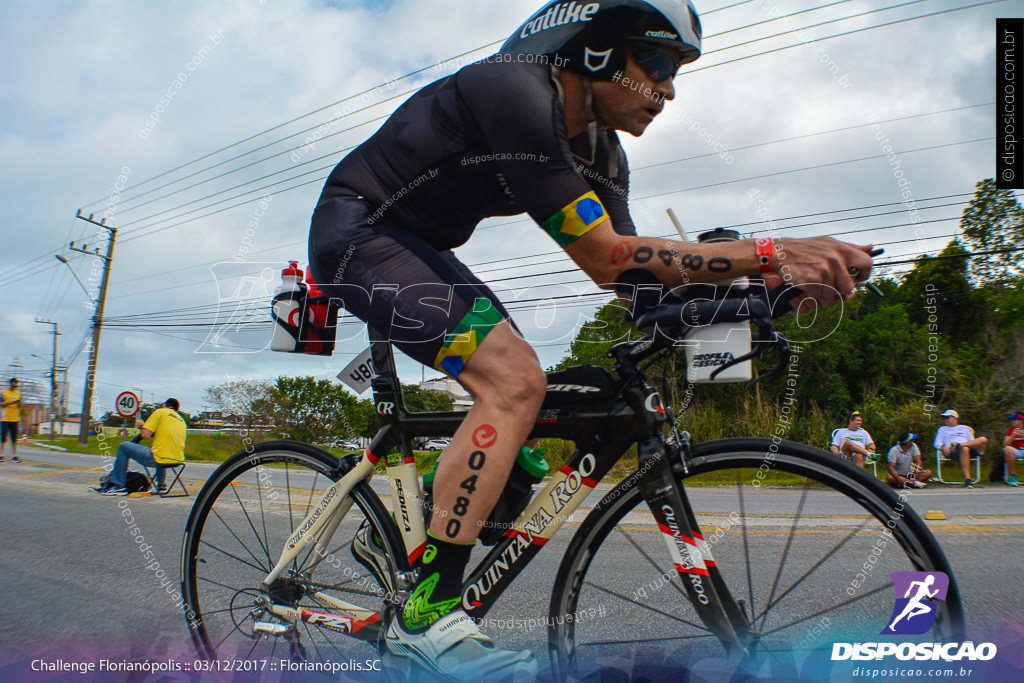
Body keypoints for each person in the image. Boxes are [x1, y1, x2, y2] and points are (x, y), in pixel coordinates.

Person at [308, 1, 876, 677]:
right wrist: (771, 250)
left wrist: (770, 297)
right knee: (513, 381)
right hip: (356, 236)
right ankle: (425, 611)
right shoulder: (514, 89)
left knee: (531, 395)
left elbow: (643, 292)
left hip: (419, 247)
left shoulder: (602, 152)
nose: (669, 89)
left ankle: (416, 536)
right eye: (658, 63)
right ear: (598, 51)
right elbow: (608, 255)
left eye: (676, 72)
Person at [90, 398, 186, 495]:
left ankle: (119, 486)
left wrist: (141, 426)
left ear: (164, 405)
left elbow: (145, 435)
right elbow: (158, 435)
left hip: (158, 459)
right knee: (162, 451)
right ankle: (162, 486)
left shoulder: (160, 412)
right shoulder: (181, 421)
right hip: (177, 460)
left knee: (123, 446)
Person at [933, 408, 987, 488]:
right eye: (945, 418)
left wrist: (962, 445)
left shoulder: (965, 428)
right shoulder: (942, 429)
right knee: (964, 448)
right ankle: (967, 479)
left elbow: (971, 441)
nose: (946, 420)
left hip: (968, 448)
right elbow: (936, 443)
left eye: (948, 417)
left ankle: (959, 445)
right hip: (952, 451)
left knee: (983, 440)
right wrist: (943, 447)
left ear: (955, 418)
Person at [1, 377, 24, 463]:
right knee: (3, 438)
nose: (14, 387)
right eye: (13, 386)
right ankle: (1, 455)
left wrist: (19, 404)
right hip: (5, 418)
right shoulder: (4, 392)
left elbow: (21, 407)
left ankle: (14, 456)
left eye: (16, 386)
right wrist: (11, 402)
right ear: (10, 384)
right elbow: (1, 404)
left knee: (14, 439)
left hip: (15, 419)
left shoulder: (18, 394)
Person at [1002, 410, 1023, 486]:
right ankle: (1013, 477)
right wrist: (1012, 436)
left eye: (1014, 419)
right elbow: (1005, 444)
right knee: (1007, 449)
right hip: (1017, 452)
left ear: (1020, 420)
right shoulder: (1011, 430)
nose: (1012, 421)